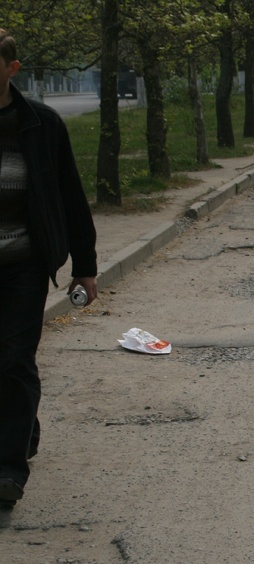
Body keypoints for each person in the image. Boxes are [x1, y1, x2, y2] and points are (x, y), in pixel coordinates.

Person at [0, 29, 98, 509]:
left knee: (14, 360)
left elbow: (70, 198)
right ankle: (23, 426)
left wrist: (87, 266)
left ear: (11, 69)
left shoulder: (40, 124)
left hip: (23, 262)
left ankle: (7, 472)